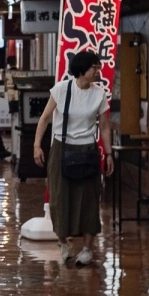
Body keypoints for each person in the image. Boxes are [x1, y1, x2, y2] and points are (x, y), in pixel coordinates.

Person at [33, 51, 115, 267]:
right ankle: (63, 242)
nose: (98, 71)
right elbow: (44, 118)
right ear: (81, 69)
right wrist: (37, 146)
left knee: (89, 199)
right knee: (59, 198)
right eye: (94, 67)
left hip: (87, 150)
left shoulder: (99, 93)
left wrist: (108, 153)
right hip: (62, 148)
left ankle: (87, 248)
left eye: (98, 66)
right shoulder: (62, 89)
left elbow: (104, 126)